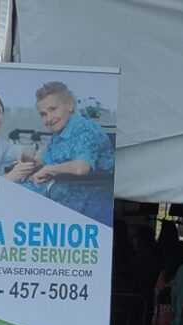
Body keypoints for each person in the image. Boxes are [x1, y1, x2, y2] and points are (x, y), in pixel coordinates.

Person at [25, 81, 115, 225]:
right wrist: (27, 160)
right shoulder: (60, 134)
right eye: (43, 114)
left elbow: (81, 167)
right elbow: (41, 160)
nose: (48, 118)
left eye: (53, 109)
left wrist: (51, 170)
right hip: (57, 195)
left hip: (82, 203)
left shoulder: (84, 130)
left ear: (70, 105)